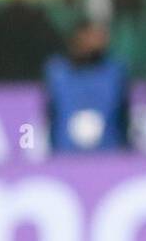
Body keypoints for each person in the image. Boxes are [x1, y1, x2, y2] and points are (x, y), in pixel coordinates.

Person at [43, 20, 129, 153]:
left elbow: (123, 116)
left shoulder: (115, 72)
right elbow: (51, 115)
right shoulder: (57, 72)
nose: (101, 40)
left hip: (108, 154)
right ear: (78, 37)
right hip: (65, 155)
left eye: (102, 35)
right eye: (93, 35)